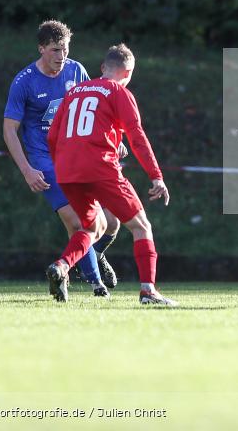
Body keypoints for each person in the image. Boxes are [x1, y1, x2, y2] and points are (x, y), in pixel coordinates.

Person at [45, 44, 175, 305]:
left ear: (103, 67)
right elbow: (136, 136)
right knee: (141, 227)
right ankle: (148, 291)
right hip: (100, 167)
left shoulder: (74, 93)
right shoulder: (118, 91)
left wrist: (65, 163)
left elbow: (52, 136)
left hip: (67, 171)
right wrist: (156, 176)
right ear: (128, 72)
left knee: (91, 227)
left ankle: (61, 267)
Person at [3, 20, 120, 298]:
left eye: (65, 49)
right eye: (55, 50)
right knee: (81, 222)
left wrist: (114, 141)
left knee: (112, 221)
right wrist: (27, 170)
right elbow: (9, 130)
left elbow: (94, 109)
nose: (61, 56)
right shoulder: (24, 81)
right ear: (41, 48)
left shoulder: (76, 70)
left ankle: (90, 258)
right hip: (45, 160)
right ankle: (94, 285)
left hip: (78, 156)